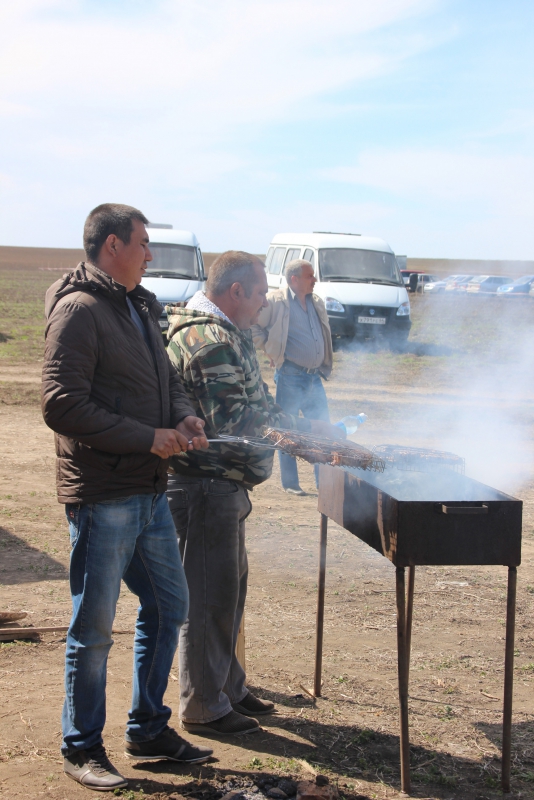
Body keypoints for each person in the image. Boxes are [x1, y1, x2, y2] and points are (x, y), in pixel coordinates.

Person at [41, 203, 213, 792]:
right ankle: (82, 746)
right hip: (104, 493)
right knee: (93, 627)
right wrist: (148, 437)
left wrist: (184, 419)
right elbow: (61, 404)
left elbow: (166, 385)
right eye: (143, 244)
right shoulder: (79, 311)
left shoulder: (141, 305)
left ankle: (147, 728)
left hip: (147, 490)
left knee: (169, 606)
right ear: (112, 245)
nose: (150, 254)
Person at [165, 251, 341, 737]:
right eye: (262, 293)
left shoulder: (226, 333)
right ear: (236, 291)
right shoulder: (208, 340)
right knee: (208, 597)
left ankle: (228, 686)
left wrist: (308, 427)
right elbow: (237, 421)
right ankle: (204, 704)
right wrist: (307, 437)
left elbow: (260, 404)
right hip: (205, 485)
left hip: (223, 485)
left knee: (229, 590)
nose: (266, 303)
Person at [252, 259, 333, 495]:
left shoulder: (315, 301)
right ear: (294, 279)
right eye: (310, 276)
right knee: (287, 429)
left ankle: (324, 483)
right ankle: (290, 483)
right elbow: (255, 326)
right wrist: (269, 349)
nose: (315, 280)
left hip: (313, 377)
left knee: (322, 428)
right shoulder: (276, 301)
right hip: (289, 375)